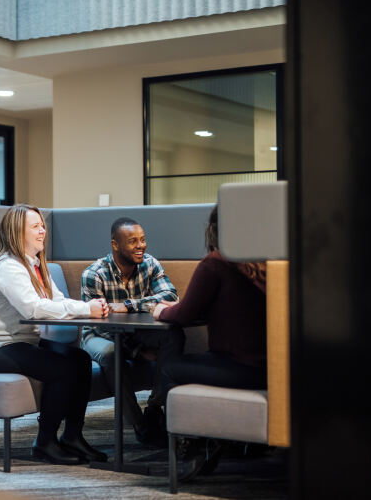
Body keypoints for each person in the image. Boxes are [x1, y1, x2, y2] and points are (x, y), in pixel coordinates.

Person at [0, 204, 110, 465]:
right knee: (61, 368)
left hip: (19, 343)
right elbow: (34, 309)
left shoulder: (34, 265)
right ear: (17, 232)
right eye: (35, 226)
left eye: (43, 225)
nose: (43, 230)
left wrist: (89, 309)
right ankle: (45, 442)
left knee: (80, 360)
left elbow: (57, 301)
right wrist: (87, 308)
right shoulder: (7, 266)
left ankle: (72, 437)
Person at [152, 205, 268, 479]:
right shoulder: (262, 262)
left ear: (214, 229)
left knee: (169, 368)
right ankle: (217, 439)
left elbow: (183, 314)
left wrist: (161, 311)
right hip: (267, 368)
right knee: (195, 361)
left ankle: (194, 445)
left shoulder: (216, 262)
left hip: (241, 367)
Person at [80, 217, 183, 447]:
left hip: (136, 333)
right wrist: (137, 352)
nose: (141, 246)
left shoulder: (150, 264)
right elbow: (100, 325)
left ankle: (155, 407)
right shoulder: (94, 274)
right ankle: (140, 425)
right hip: (98, 335)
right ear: (115, 244)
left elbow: (170, 296)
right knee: (110, 353)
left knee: (173, 334)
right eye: (133, 241)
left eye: (143, 240)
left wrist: (129, 305)